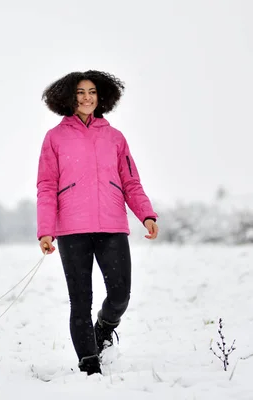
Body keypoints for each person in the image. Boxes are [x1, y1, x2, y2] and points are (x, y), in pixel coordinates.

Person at [36, 70, 159, 376]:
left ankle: (104, 328)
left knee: (120, 295)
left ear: (101, 96)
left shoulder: (115, 138)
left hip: (112, 226)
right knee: (81, 300)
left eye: (92, 92)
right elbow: (47, 186)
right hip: (71, 230)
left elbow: (131, 181)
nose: (87, 98)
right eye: (80, 92)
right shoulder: (55, 138)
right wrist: (46, 231)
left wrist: (146, 214)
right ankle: (89, 365)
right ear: (68, 97)